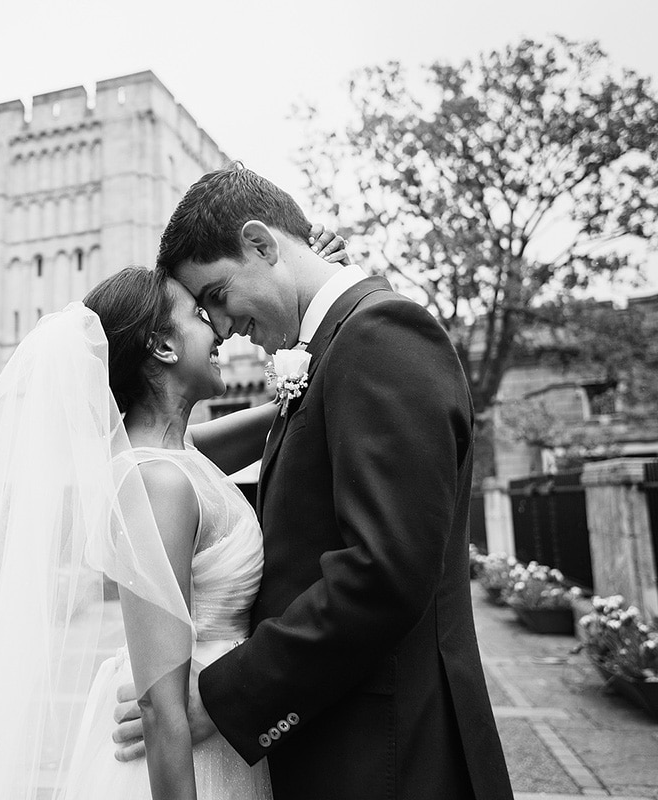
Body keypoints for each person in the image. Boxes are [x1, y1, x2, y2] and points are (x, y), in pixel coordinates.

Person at [112, 164, 513, 800]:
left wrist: (224, 700)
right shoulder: (337, 350)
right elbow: (175, 456)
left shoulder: (379, 336)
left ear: (262, 245)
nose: (220, 325)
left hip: (387, 757)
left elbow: (382, 573)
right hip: (343, 744)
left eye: (217, 296)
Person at [0, 249, 325, 800]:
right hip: (188, 748)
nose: (219, 330)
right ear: (162, 346)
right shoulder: (157, 483)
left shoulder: (177, 458)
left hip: (222, 717)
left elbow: (273, 420)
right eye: (199, 317)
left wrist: (313, 321)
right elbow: (158, 703)